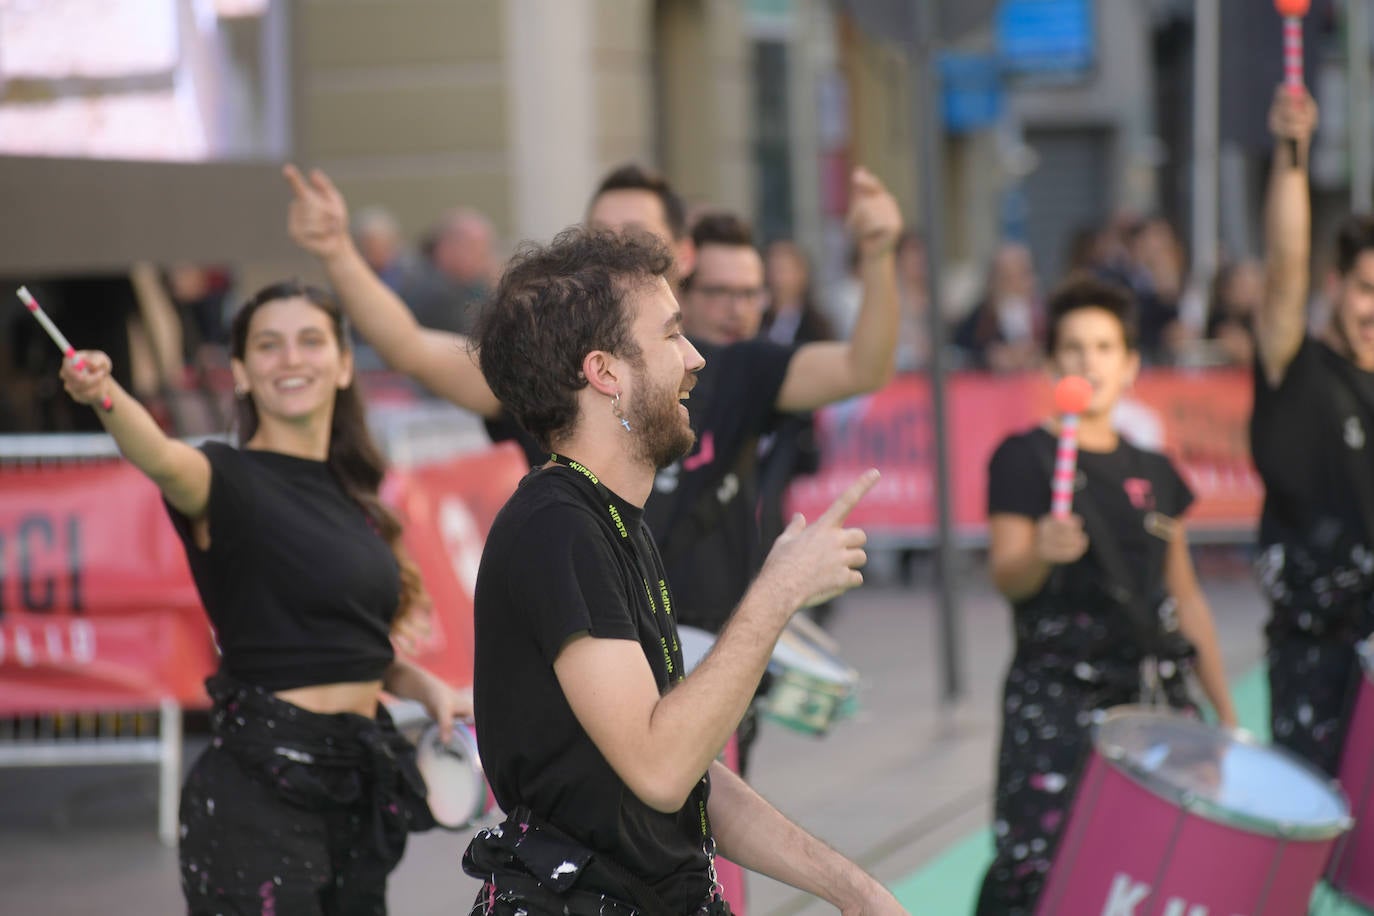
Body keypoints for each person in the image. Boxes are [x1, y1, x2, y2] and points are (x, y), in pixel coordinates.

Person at [462, 225, 904, 916]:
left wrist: (854, 891)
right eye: (672, 335)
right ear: (605, 372)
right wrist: (777, 592)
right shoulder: (559, 527)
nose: (696, 358)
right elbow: (660, 768)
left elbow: (691, 771)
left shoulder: (607, 520)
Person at [59, 280, 469, 915]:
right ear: (243, 373)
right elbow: (163, 459)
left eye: (310, 340)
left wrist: (421, 687)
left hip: (355, 787)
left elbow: (339, 642)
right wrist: (105, 396)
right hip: (260, 796)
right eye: (268, 346)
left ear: (341, 364)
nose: (291, 358)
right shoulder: (223, 477)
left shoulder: (355, 494)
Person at [593, 173, 901, 774]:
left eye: (753, 293)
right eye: (720, 292)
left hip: (711, 652)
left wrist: (879, 255)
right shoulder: (591, 372)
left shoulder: (747, 371)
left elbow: (865, 366)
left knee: (711, 839)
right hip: (614, 648)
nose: (738, 310)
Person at [974, 275, 1236, 916]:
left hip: (1152, 699)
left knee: (1155, 872)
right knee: (1036, 869)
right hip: (1055, 700)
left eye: (1102, 346)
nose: (1087, 360)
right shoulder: (1022, 457)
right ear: (1050, 364)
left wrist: (1225, 722)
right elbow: (1007, 576)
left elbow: (1186, 599)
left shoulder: (1155, 471)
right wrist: (1041, 549)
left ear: (1130, 366)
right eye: (1071, 347)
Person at [1253, 87, 1374, 776]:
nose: (1373, 310)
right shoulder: (1298, 373)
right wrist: (1292, 157)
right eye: (1365, 289)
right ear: (1337, 286)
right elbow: (1282, 269)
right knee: (1311, 855)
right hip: (1313, 659)